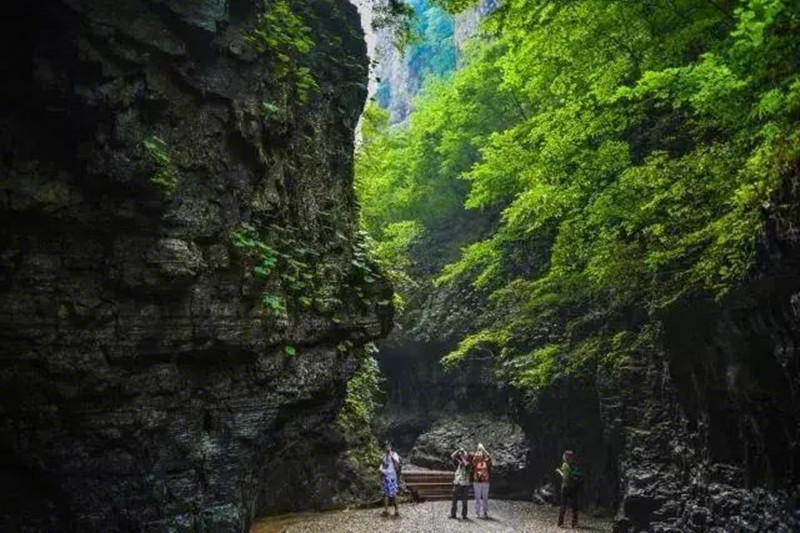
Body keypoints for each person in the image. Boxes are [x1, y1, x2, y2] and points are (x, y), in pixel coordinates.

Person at [556, 450, 582, 527]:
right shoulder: (575, 465)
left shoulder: (565, 465)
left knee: (563, 505)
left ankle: (560, 523)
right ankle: (574, 523)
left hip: (566, 487)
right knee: (574, 505)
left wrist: (559, 472)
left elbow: (565, 477)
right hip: (573, 487)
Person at [379, 441, 401, 517]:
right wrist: (381, 475)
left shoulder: (394, 454)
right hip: (385, 475)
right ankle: (386, 510)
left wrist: (392, 456)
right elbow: (383, 466)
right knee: (385, 494)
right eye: (385, 446)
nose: (387, 447)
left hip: (392, 476)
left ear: (391, 447)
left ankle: (397, 510)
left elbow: (397, 465)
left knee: (394, 493)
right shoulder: (384, 456)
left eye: (388, 446)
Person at [449, 447, 471, 519]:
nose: (463, 454)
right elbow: (452, 456)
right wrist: (458, 450)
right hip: (457, 483)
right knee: (454, 500)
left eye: (465, 454)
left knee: (464, 501)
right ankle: (453, 514)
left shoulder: (469, 463)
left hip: (465, 484)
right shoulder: (459, 463)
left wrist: (462, 456)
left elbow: (466, 464)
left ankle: (464, 515)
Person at [472, 443, 492, 518]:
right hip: (477, 482)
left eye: (481, 454)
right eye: (478, 455)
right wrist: (478, 450)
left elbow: (489, 457)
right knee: (477, 498)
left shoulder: (486, 462)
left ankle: (485, 512)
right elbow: (474, 459)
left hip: (485, 482)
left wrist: (484, 449)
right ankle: (477, 512)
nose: (479, 455)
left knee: (485, 498)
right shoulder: (475, 462)